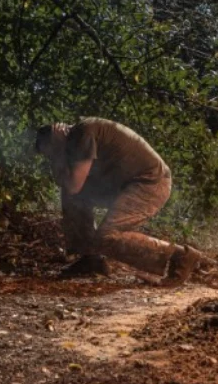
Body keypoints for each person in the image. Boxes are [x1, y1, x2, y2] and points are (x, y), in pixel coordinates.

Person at [34, 117, 204, 285]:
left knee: (107, 236)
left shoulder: (82, 134)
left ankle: (180, 256)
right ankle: (90, 259)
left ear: (56, 138)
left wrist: (57, 156)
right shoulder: (76, 136)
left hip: (150, 183)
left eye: (50, 152)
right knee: (73, 198)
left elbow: (72, 185)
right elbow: (70, 187)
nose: (51, 158)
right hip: (127, 184)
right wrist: (57, 154)